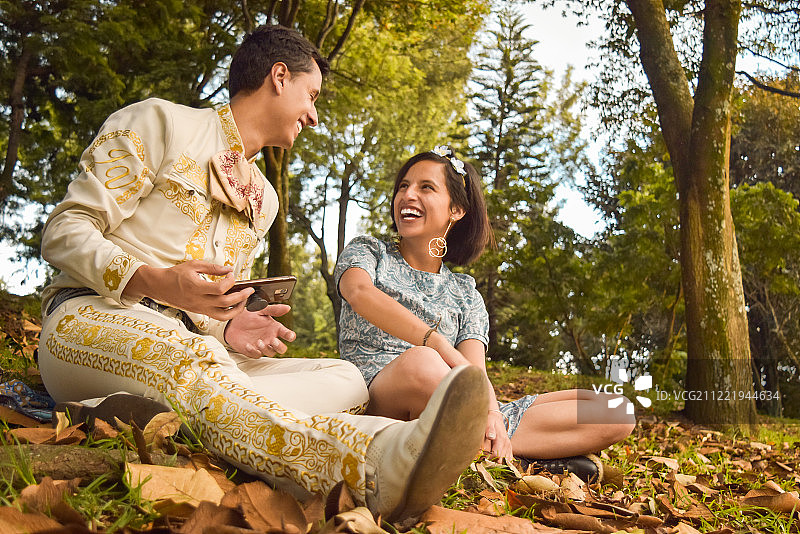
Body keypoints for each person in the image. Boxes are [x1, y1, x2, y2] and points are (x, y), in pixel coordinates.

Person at [37, 26, 488, 522]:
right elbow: (64, 231)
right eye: (311, 96)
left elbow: (209, 307)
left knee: (346, 379)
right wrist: (156, 280)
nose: (313, 115)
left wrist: (229, 323)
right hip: (90, 317)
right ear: (278, 77)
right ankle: (371, 461)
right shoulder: (159, 121)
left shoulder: (265, 199)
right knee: (196, 359)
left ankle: (131, 411)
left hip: (200, 352)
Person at [334, 146, 636, 481]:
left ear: (457, 210)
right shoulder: (369, 251)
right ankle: (504, 455)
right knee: (425, 363)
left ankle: (497, 449)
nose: (408, 195)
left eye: (426, 187)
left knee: (616, 410)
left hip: (458, 402)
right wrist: (437, 344)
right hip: (381, 397)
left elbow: (474, 368)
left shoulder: (464, 291)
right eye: (404, 186)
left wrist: (492, 412)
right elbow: (359, 293)